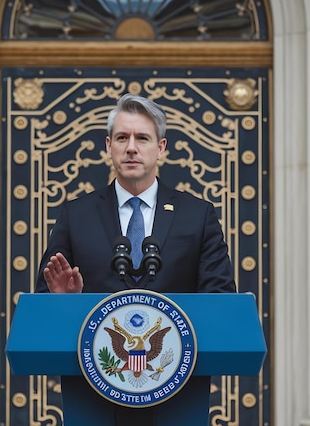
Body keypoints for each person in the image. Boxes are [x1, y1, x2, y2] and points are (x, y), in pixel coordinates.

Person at [35, 93, 236, 294]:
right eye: (122, 138)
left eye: (142, 138)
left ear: (160, 148)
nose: (131, 148)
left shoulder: (197, 216)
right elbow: (46, 296)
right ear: (109, 146)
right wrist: (64, 301)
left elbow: (220, 298)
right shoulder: (77, 216)